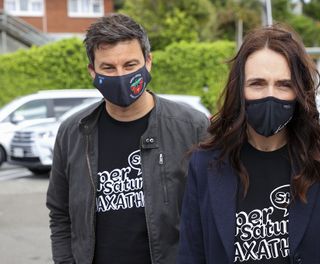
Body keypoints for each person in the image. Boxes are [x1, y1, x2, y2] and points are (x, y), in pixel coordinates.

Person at [177, 24, 320, 264]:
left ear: (300, 91)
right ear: (240, 89)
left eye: (284, 84)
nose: (270, 95)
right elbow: (191, 255)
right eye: (257, 83)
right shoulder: (206, 163)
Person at [46, 14, 209, 264]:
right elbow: (60, 213)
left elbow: (211, 212)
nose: (120, 76)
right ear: (92, 71)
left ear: (148, 62)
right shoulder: (73, 132)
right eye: (108, 68)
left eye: (130, 65)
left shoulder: (192, 127)